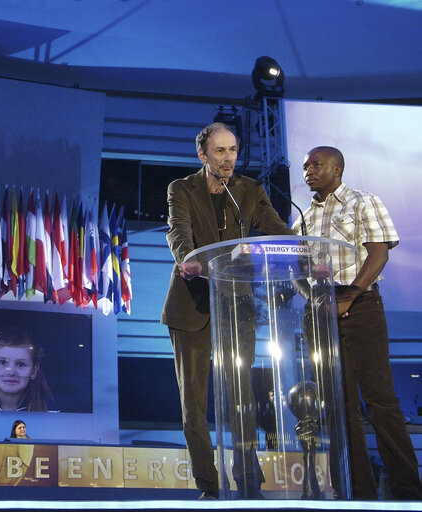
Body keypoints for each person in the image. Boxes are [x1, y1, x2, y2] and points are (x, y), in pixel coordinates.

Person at [159, 123, 293, 499]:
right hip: (192, 305)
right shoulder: (181, 189)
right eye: (220, 151)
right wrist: (187, 259)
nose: (228, 158)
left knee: (242, 397)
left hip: (237, 305)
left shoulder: (249, 191)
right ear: (203, 155)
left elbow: (275, 229)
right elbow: (178, 231)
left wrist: (301, 249)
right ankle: (209, 486)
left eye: (233, 150)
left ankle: (249, 482)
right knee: (194, 405)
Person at [297, 146, 422, 500]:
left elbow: (379, 252)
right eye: (305, 166)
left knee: (380, 399)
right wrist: (314, 297)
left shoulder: (363, 202)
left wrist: (349, 296)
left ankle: (408, 490)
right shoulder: (304, 217)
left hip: (361, 303)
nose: (308, 170)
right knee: (340, 405)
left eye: (316, 165)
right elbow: (293, 266)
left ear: (337, 168)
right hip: (323, 312)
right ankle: (358, 491)